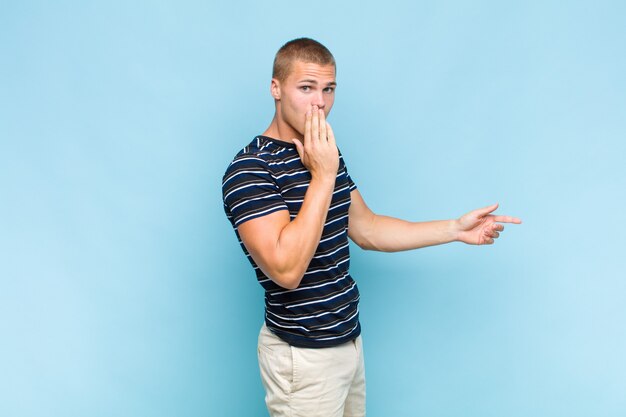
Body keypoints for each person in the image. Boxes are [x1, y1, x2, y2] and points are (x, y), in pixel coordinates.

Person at [222, 37, 521, 417]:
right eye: (306, 88)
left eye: (328, 89)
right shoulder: (250, 170)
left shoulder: (324, 151)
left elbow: (368, 229)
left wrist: (454, 229)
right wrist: (324, 175)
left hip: (348, 344)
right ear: (275, 89)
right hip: (303, 357)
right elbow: (286, 269)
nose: (320, 103)